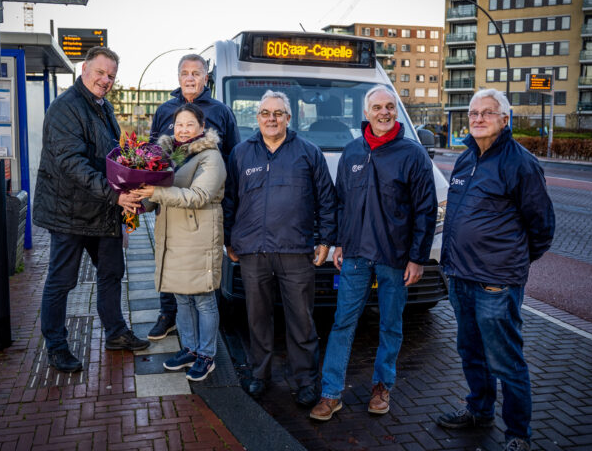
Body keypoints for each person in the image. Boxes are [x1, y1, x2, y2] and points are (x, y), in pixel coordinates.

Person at [436, 89, 555, 451]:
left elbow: (542, 227)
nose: (477, 119)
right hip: (460, 277)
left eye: (487, 113)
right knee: (470, 351)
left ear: (505, 119)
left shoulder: (521, 163)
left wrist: (509, 264)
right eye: (473, 113)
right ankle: (479, 410)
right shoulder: (465, 159)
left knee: (506, 360)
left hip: (495, 284)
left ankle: (518, 434)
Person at [310, 85, 437, 421]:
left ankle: (382, 387)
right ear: (366, 114)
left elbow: (425, 210)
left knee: (391, 325)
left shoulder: (412, 154)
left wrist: (417, 258)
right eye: (378, 107)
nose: (384, 112)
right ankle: (331, 393)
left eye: (390, 107)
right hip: (354, 257)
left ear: (396, 111)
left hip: (395, 259)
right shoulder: (352, 152)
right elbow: (341, 203)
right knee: (342, 324)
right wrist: (339, 243)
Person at [34, 46, 150, 373]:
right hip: (69, 213)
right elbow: (73, 164)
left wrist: (133, 173)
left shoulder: (103, 107)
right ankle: (56, 347)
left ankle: (115, 333)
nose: (106, 80)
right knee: (62, 282)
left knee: (112, 273)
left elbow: (110, 158)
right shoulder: (65, 108)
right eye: (100, 72)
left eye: (111, 75)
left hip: (102, 211)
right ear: (84, 69)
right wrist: (116, 197)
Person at [223, 90, 336, 406]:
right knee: (257, 319)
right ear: (257, 117)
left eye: (278, 113)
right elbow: (229, 199)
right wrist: (228, 239)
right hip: (252, 252)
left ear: (289, 117)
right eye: (265, 113)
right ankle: (260, 375)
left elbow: (327, 200)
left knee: (301, 320)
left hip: (296, 251)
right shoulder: (241, 154)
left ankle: (305, 381)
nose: (271, 119)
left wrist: (326, 240)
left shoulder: (308, 152)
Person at [147, 54, 240, 341]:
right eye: (185, 73)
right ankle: (167, 315)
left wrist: (230, 206)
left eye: (196, 73)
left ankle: (204, 340)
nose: (190, 78)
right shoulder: (165, 110)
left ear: (205, 78)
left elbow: (233, 159)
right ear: (178, 78)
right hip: (169, 201)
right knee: (167, 258)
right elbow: (152, 155)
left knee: (199, 275)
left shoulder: (221, 111)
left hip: (203, 202)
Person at [134, 104, 226, 382]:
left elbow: (198, 195)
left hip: (199, 236)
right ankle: (189, 349)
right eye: (178, 125)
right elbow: (156, 196)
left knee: (203, 299)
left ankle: (206, 355)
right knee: (182, 298)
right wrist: (139, 198)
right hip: (172, 236)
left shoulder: (211, 157)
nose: (183, 129)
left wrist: (156, 192)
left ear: (201, 127)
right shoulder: (170, 155)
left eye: (189, 124)